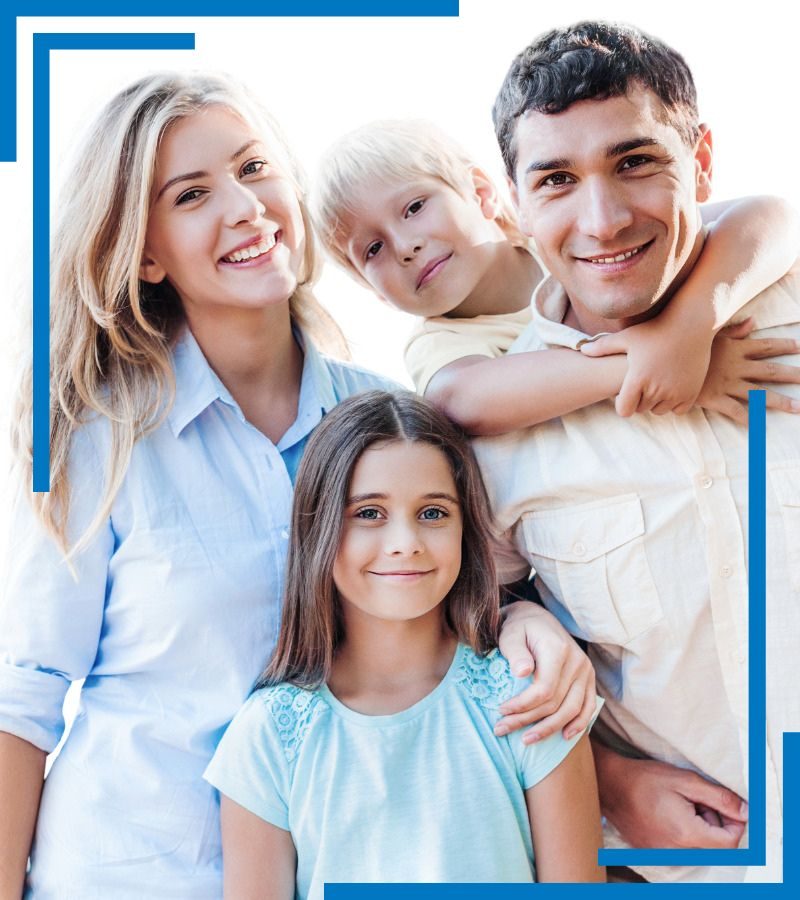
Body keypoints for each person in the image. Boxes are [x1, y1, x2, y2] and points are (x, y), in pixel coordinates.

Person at [0, 72, 594, 899]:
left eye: (252, 168)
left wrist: (529, 617)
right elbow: (21, 698)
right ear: (142, 251)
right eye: (192, 194)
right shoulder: (103, 441)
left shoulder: (389, 419)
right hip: (132, 872)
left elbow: (462, 629)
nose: (243, 207)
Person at [480, 22, 798, 882]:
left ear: (699, 160)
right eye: (555, 180)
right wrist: (606, 781)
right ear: (513, 206)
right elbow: (465, 652)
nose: (603, 218)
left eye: (634, 162)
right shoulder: (495, 446)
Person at [204, 390, 606, 897]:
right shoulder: (268, 736)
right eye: (369, 513)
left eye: (433, 513)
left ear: (466, 529)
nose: (405, 542)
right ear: (320, 527)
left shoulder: (528, 698)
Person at [314, 120, 800, 437]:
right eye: (372, 249)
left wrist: (688, 329)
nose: (406, 247)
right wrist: (650, 363)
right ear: (368, 289)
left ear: (482, 194)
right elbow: (459, 400)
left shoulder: (574, 242)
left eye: (415, 208)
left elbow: (770, 218)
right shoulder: (441, 341)